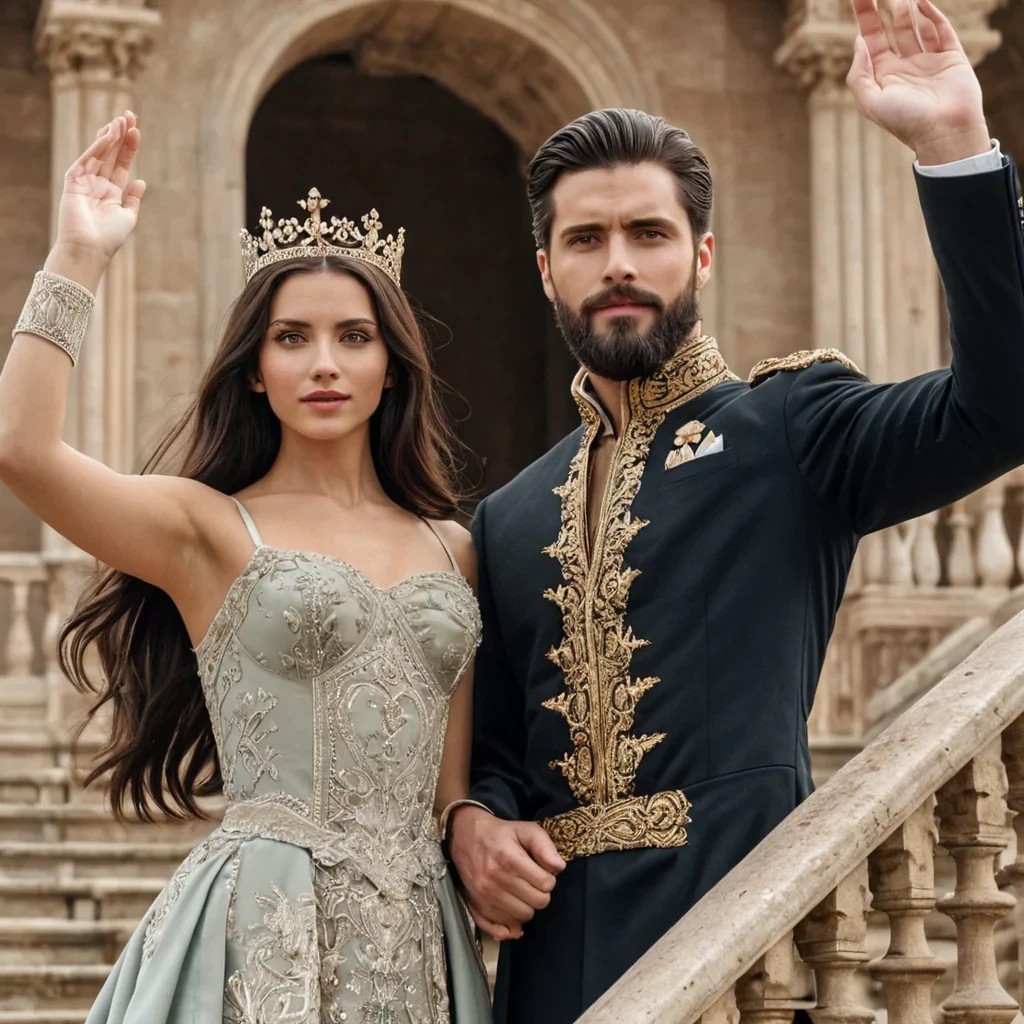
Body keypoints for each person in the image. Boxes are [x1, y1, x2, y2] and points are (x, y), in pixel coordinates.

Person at [443, 1, 1024, 1021]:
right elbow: (494, 750)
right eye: (586, 238)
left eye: (648, 233)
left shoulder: (790, 427)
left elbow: (1001, 406)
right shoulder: (507, 512)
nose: (617, 260)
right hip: (549, 975)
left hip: (744, 951)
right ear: (548, 271)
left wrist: (949, 148)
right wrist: (473, 821)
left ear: (700, 256)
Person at [0, 112, 490, 1023]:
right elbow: (22, 452)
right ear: (255, 369)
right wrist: (78, 256)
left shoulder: (451, 546)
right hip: (262, 925)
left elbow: (449, 793)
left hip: (421, 936)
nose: (325, 363)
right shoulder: (210, 528)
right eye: (291, 337)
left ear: (393, 364)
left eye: (354, 336)